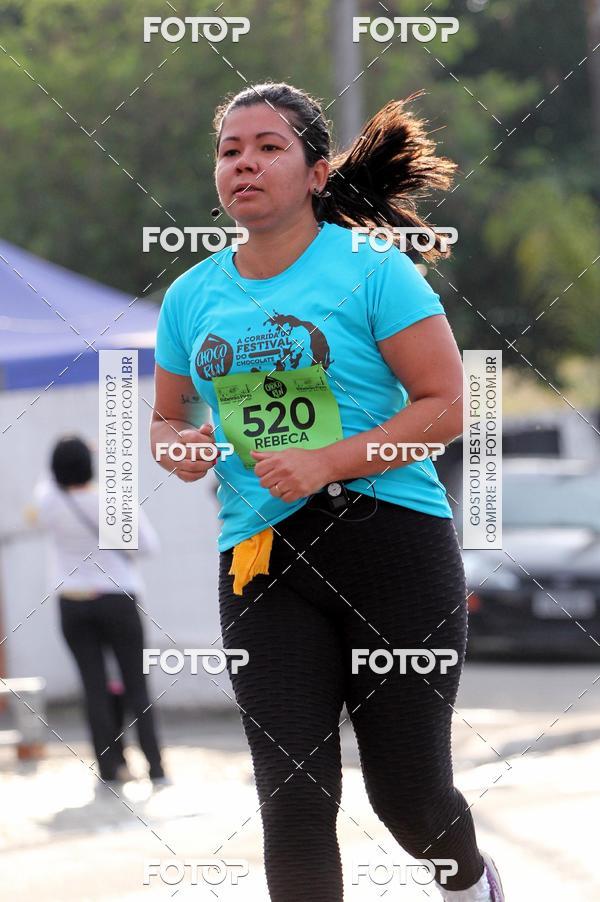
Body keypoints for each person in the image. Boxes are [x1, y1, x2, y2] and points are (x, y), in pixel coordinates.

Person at [151, 82, 505, 901]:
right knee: (294, 800)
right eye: (230, 150)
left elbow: (450, 405)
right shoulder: (191, 295)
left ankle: (471, 884)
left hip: (392, 547)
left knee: (410, 799)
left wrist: (329, 460)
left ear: (314, 173)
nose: (244, 163)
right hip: (261, 563)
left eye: (268, 147)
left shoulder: (371, 271)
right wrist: (181, 449)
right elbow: (166, 419)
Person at [25, 435, 167, 786]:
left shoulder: (48, 500)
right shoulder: (112, 500)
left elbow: (43, 491)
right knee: (136, 683)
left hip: (71, 602)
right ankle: (156, 767)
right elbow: (148, 547)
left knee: (94, 687)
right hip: (117, 595)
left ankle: (109, 769)